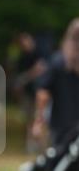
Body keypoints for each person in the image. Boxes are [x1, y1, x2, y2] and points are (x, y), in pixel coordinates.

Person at [32, 18, 79, 148]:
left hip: (61, 126)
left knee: (61, 164)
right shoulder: (58, 63)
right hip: (64, 127)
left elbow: (43, 94)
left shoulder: (57, 62)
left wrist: (39, 121)